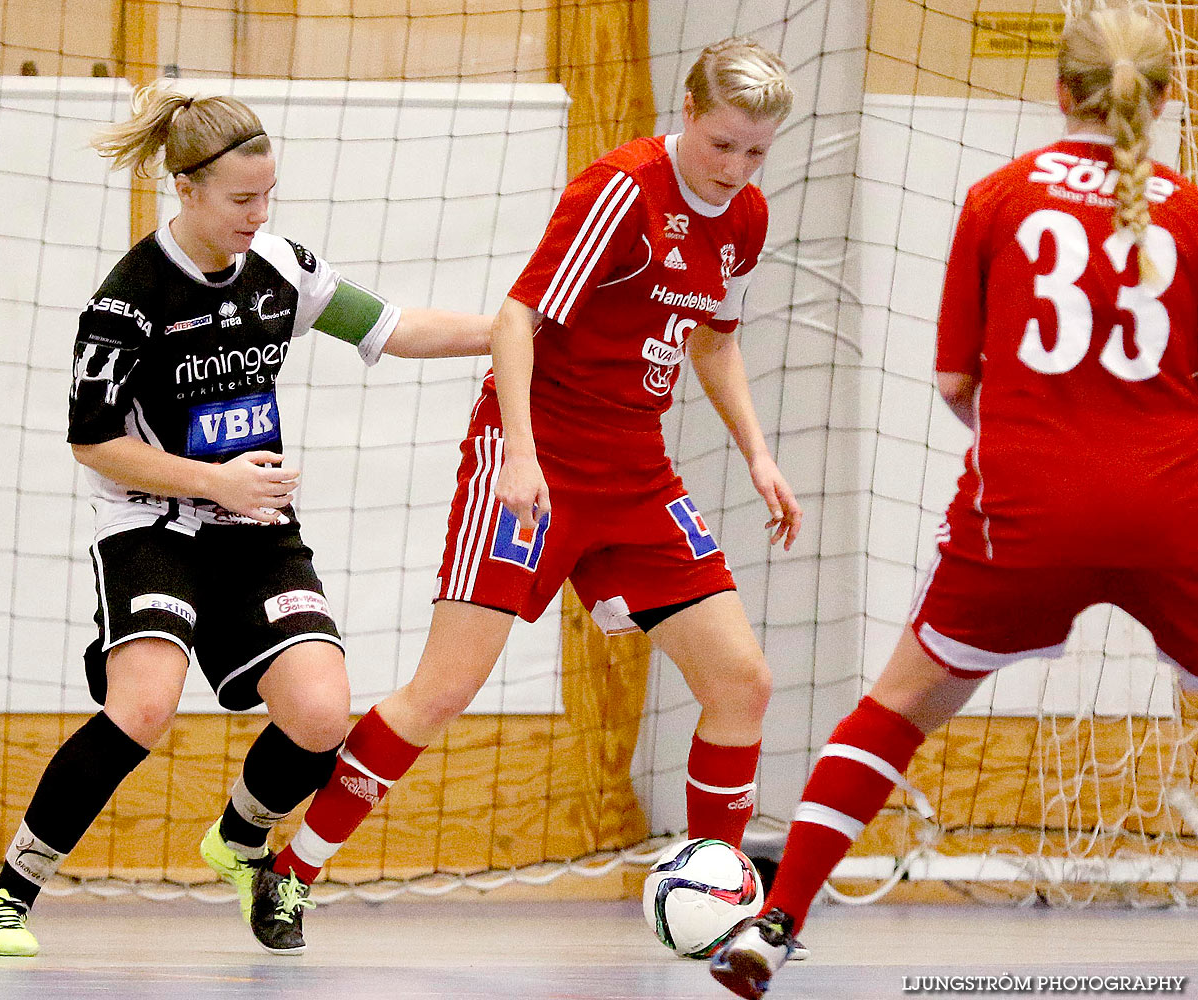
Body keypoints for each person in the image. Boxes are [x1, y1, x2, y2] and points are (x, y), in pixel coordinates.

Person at [255, 36, 804, 952]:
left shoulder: (744, 215)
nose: (736, 168)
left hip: (635, 472)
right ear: (686, 115)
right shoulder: (622, 190)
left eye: (756, 151)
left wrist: (758, 456)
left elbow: (713, 340)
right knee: (442, 692)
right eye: (722, 145)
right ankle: (291, 871)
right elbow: (518, 315)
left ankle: (716, 903)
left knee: (741, 682)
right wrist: (518, 454)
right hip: (532, 461)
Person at [710, 8, 1198, 997]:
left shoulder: (999, 197)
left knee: (894, 708)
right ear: (1166, 97)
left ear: (1061, 92)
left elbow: (954, 383)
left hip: (1023, 507)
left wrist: (1040, 432)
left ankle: (777, 919)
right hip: (1171, 507)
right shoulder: (1191, 213)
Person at [0, 82, 491, 957]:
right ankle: (7, 897)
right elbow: (92, 442)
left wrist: (516, 329)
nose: (258, 213)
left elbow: (390, 327)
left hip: (254, 527)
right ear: (187, 189)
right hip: (150, 523)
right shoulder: (128, 300)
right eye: (242, 199)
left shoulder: (279, 264)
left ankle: (240, 840)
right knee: (146, 704)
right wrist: (212, 481)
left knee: (323, 714)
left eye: (267, 194)